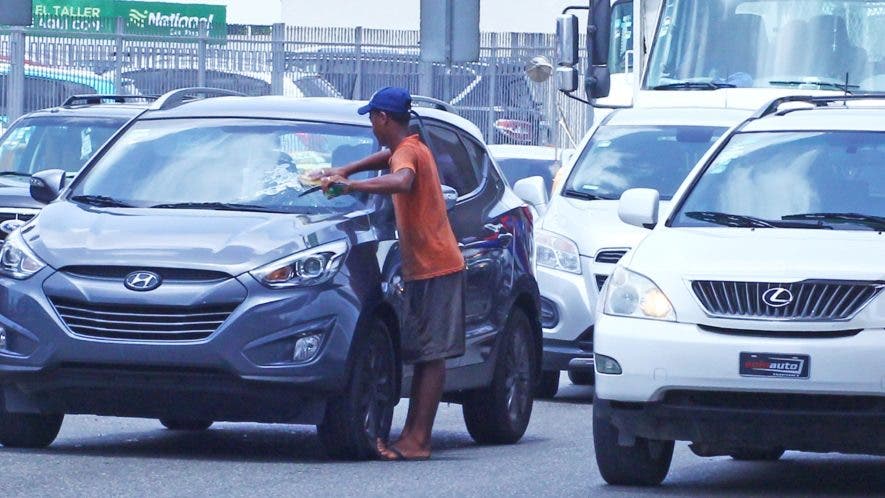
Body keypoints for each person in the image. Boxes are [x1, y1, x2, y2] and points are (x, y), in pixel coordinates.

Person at [313, 87, 466, 461]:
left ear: (383, 118)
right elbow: (388, 157)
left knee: (431, 358)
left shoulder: (409, 154)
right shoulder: (406, 146)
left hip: (436, 266)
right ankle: (414, 436)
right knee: (427, 355)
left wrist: (351, 185)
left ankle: (418, 441)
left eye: (372, 118)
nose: (371, 125)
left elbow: (402, 181)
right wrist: (345, 169)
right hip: (429, 266)